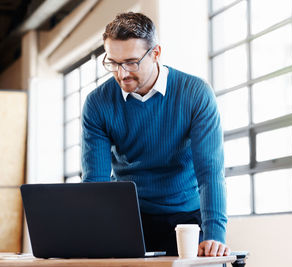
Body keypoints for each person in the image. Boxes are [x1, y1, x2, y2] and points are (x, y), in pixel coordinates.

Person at [81, 12, 230, 257]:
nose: (122, 74)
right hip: (129, 217)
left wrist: (215, 235)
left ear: (156, 53)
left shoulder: (195, 94)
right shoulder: (97, 103)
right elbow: (95, 182)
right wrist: (94, 235)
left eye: (131, 62)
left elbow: (210, 172)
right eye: (114, 63)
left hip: (186, 218)